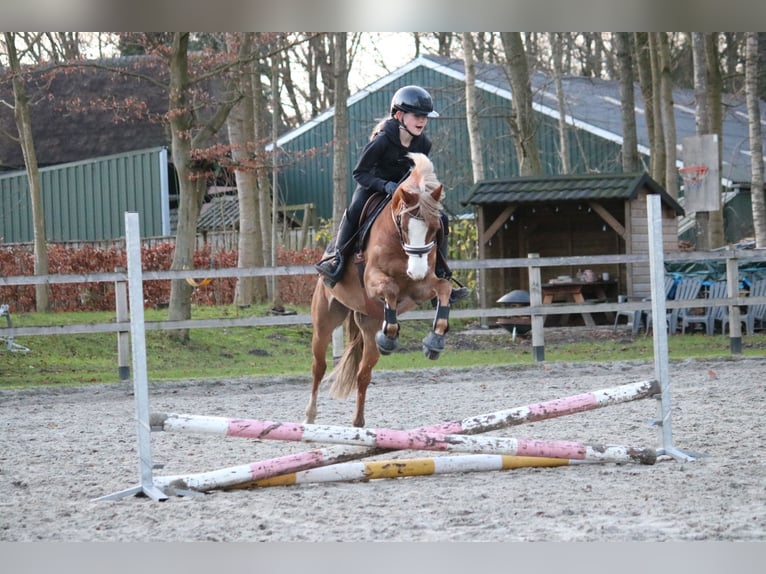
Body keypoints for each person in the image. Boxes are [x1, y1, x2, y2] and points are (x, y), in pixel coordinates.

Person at [315, 85, 469, 303]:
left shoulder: (423, 143)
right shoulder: (382, 140)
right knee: (354, 210)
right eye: (417, 116)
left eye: (425, 117)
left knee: (440, 218)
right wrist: (385, 186)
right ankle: (337, 261)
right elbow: (360, 173)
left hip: (404, 192)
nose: (422, 121)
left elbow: (417, 172)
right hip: (373, 188)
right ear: (399, 115)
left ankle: (442, 272)